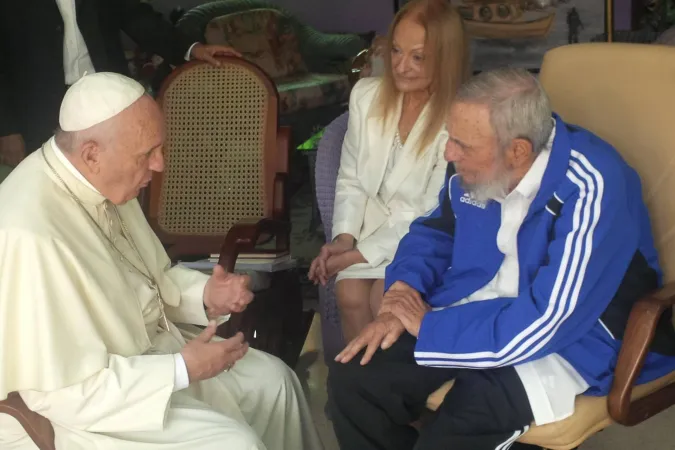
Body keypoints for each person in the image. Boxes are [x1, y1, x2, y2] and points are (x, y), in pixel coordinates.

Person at [327, 67, 675, 450]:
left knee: (456, 430)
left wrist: (429, 326)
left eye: (462, 145)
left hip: (567, 339)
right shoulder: (474, 159)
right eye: (451, 137)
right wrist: (404, 289)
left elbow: (548, 318)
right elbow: (437, 231)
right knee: (355, 381)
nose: (448, 152)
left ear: (518, 150)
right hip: (471, 306)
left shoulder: (594, 184)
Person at [0, 72, 322, 450]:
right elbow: (65, 393)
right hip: (83, 412)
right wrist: (181, 369)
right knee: (234, 443)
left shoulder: (100, 180)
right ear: (91, 154)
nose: (159, 166)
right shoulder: (29, 235)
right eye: (146, 155)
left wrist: (207, 293)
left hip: (150, 359)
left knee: (275, 383)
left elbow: (149, 280)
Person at [308, 0, 469, 343]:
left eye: (418, 56)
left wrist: (356, 255)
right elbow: (350, 177)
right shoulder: (366, 96)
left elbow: (433, 211)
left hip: (424, 237)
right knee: (349, 293)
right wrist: (343, 239)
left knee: (384, 297)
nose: (401, 66)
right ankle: (357, 386)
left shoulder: (461, 116)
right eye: (396, 50)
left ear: (445, 58)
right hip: (366, 232)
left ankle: (391, 390)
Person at [0, 0, 240, 166]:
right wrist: (7, 128)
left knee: (118, 183)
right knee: (50, 193)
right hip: (37, 106)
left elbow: (135, 15)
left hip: (106, 95)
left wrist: (191, 49)